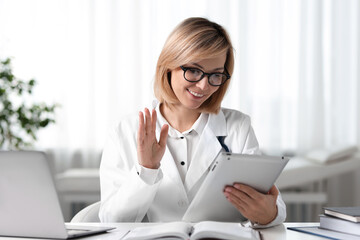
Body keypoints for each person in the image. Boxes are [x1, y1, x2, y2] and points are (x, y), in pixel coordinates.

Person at [99, 17, 286, 227]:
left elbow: (272, 202)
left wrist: (270, 214)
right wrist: (146, 169)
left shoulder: (238, 127)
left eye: (215, 75)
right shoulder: (124, 131)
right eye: (194, 71)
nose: (204, 86)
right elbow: (111, 221)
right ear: (169, 65)